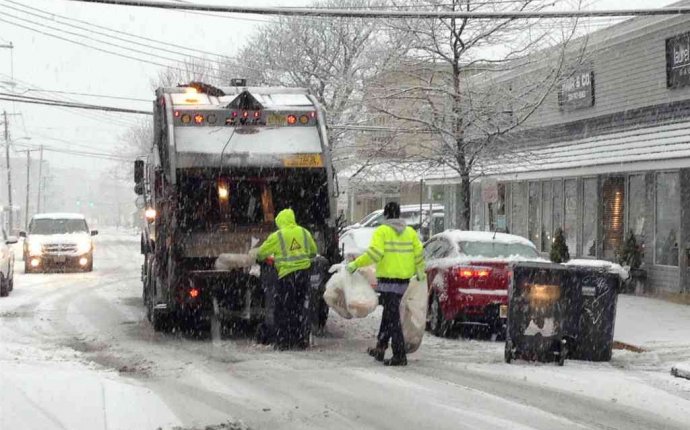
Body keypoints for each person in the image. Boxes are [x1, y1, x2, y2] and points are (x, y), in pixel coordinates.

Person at [347, 202, 425, 366]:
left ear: (386, 215)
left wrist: (356, 264)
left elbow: (374, 254)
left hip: (388, 281)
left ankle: (399, 354)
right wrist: (420, 271)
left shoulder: (382, 231)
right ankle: (381, 347)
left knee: (393, 317)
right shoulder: (410, 233)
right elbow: (419, 254)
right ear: (399, 214)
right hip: (404, 281)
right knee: (390, 314)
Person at [257, 208, 318, 350]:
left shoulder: (277, 236)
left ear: (280, 222)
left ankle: (283, 341)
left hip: (286, 277)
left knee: (282, 309)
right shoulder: (304, 232)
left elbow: (260, 254)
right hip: (303, 276)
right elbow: (313, 252)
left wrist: (270, 258)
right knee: (299, 308)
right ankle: (300, 340)